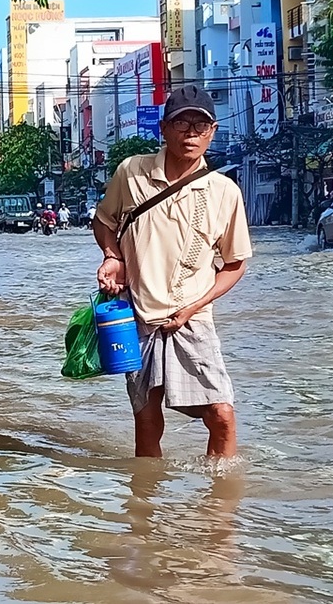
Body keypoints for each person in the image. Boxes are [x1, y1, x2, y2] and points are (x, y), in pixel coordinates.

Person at [92, 84, 253, 459]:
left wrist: (195, 305)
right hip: (138, 315)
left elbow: (234, 264)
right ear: (163, 129)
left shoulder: (225, 191)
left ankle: (220, 494)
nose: (191, 133)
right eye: (182, 123)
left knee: (222, 416)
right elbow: (103, 222)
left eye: (201, 125)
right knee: (147, 419)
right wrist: (113, 257)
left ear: (212, 132)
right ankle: (146, 493)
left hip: (193, 318)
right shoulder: (131, 172)